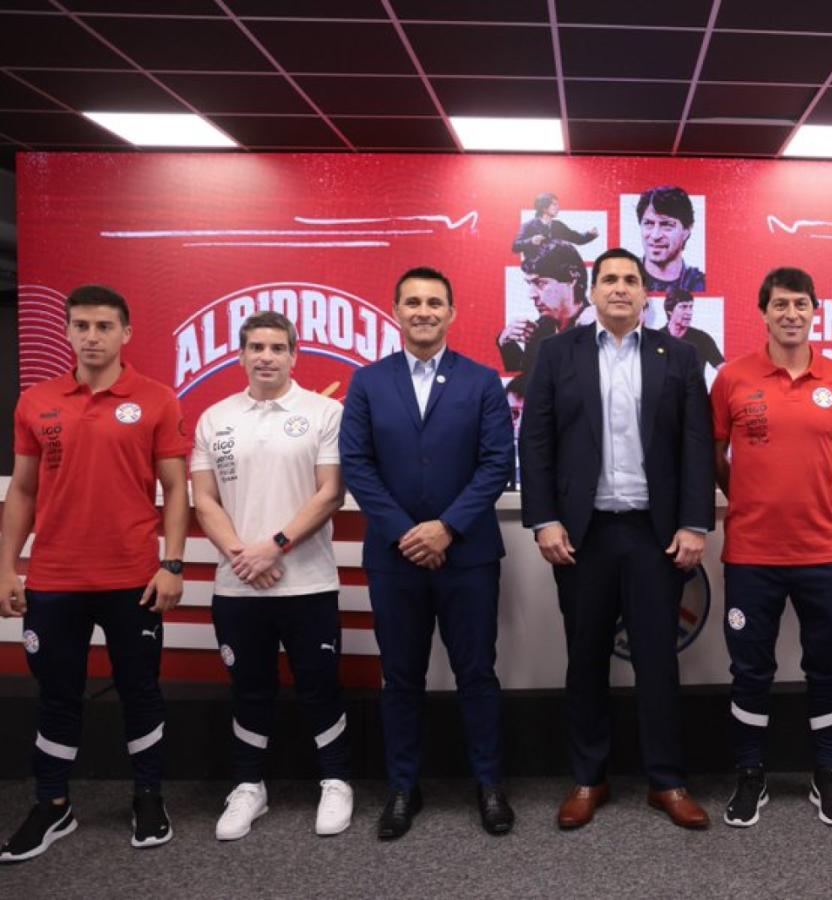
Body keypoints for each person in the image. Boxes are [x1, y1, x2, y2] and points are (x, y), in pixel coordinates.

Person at [520, 247, 714, 831]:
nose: (622, 288)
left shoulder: (678, 357)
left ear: (645, 292)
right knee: (585, 660)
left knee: (659, 661)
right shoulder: (557, 354)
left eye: (632, 279)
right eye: (610, 279)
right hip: (583, 535)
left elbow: (697, 446)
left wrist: (694, 522)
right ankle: (589, 777)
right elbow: (536, 443)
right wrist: (543, 519)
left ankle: (667, 781)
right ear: (592, 291)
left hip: (655, 535)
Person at [0, 285, 189, 863]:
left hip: (133, 576)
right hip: (55, 580)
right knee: (57, 694)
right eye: (81, 325)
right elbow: (24, 489)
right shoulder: (36, 401)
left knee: (140, 692)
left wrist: (172, 563)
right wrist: (8, 566)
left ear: (126, 333)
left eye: (104, 326)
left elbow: (178, 487)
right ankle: (53, 804)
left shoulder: (156, 400)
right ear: (66, 332)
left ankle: (149, 796)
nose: (92, 336)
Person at [339, 266, 515, 840]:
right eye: (412, 302)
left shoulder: (483, 380)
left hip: (468, 556)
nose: (423, 311)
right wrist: (407, 533)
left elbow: (496, 464)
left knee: (477, 674)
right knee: (401, 676)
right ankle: (401, 787)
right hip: (395, 559)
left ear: (452, 313)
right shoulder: (367, 382)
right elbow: (358, 467)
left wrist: (446, 529)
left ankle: (489, 785)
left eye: (434, 302)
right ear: (396, 310)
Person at [190, 311, 353, 841]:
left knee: (320, 687)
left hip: (308, 582)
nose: (266, 356)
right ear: (240, 355)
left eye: (277, 348)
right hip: (239, 584)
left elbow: (330, 492)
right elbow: (203, 498)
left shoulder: (324, 412)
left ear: (293, 354)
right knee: (250, 689)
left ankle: (335, 781)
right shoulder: (215, 418)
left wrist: (275, 545)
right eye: (256, 347)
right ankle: (248, 788)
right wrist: (243, 554)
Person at [711, 267, 832, 828]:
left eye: (801, 303)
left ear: (814, 310)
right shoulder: (731, 378)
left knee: (828, 667)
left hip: (823, 552)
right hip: (752, 554)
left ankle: (828, 774)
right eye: (780, 305)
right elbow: (716, 457)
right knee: (751, 670)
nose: (791, 313)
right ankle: (751, 774)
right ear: (764, 312)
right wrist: (750, 496)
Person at [498, 239, 590, 377]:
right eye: (529, 284)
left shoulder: (597, 328)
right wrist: (506, 344)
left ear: (572, 278)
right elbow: (525, 387)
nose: (531, 295)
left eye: (540, 283)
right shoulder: (540, 330)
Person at [636, 186, 705, 293]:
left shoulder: (699, 284)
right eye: (648, 223)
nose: (655, 236)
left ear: (686, 230)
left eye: (667, 225)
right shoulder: (624, 276)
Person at [510, 191, 598, 263]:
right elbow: (515, 247)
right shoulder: (529, 225)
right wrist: (531, 241)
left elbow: (577, 238)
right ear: (544, 207)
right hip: (536, 271)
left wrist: (590, 234)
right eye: (554, 204)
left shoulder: (558, 226)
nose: (558, 207)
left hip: (556, 271)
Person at [663, 288, 723, 376]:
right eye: (683, 307)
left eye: (691, 307)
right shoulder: (657, 339)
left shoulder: (703, 339)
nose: (689, 312)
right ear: (669, 310)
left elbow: (723, 369)